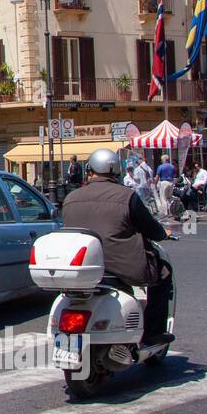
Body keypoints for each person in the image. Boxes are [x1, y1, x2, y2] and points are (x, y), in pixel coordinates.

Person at [62, 149, 173, 347]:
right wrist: (163, 233)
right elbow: (151, 228)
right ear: (115, 171)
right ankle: (153, 333)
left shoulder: (71, 198)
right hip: (119, 266)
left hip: (81, 266)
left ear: (90, 170)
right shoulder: (127, 196)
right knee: (164, 273)